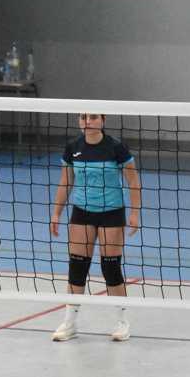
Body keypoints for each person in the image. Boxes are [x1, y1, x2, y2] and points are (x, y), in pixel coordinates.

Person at [50, 112, 142, 341]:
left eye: (93, 117)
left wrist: (134, 213)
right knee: (77, 266)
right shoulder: (73, 148)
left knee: (111, 267)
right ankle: (70, 322)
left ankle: (122, 322)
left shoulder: (116, 148)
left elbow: (133, 181)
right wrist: (56, 213)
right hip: (82, 211)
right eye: (83, 117)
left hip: (112, 212)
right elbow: (66, 182)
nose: (87, 122)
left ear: (103, 120)